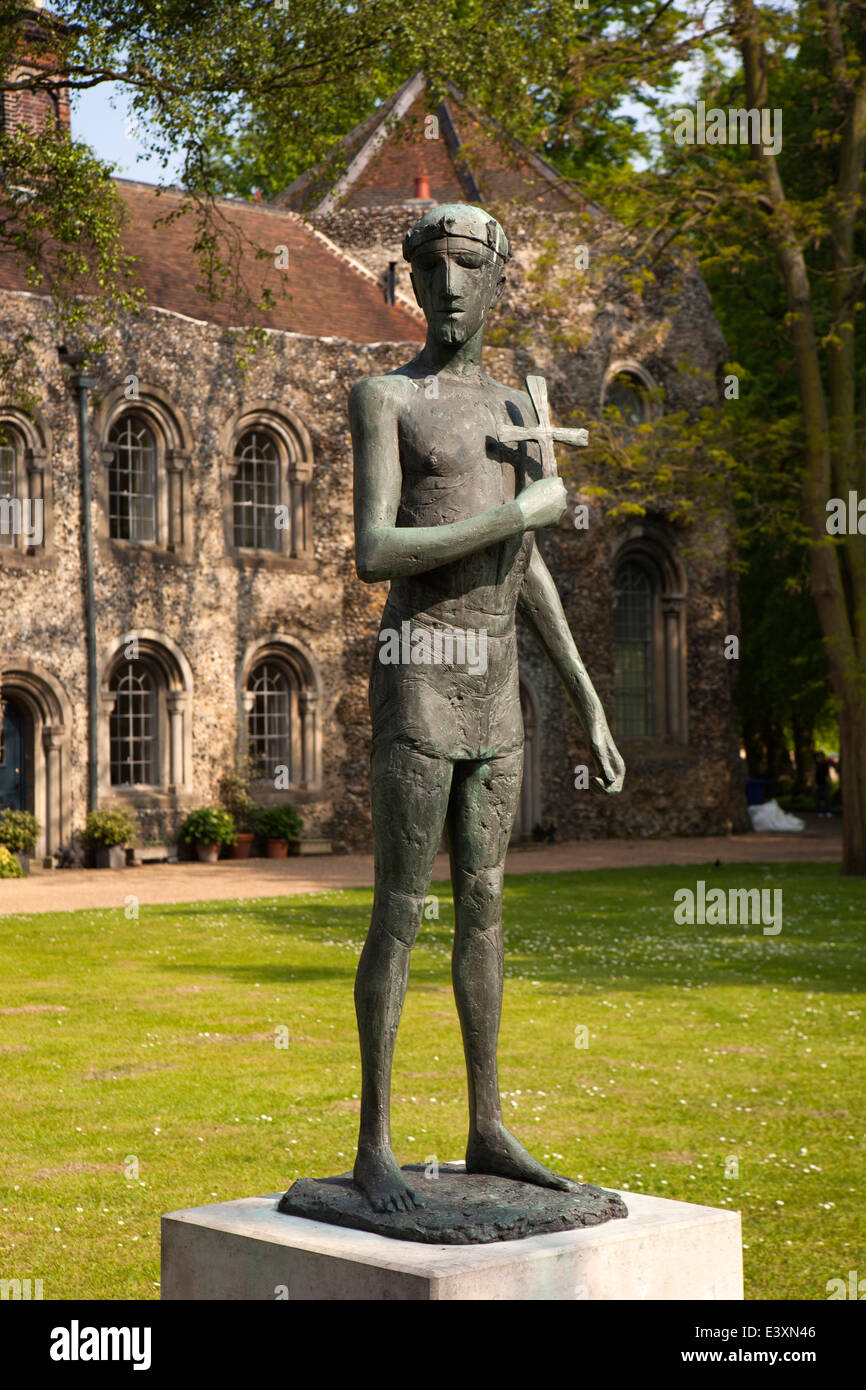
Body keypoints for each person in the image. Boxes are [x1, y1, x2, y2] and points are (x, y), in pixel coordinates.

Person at [350, 204, 625, 1214]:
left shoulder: (517, 407)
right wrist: (514, 510)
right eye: (433, 269)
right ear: (412, 282)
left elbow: (527, 566)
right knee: (399, 906)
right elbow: (374, 549)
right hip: (420, 664)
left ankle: (485, 1120)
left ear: (499, 279)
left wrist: (587, 693)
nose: (450, 286)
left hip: (495, 678)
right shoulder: (384, 397)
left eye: (469, 267)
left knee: (487, 900)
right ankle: (375, 1139)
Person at [814, 749, 833, 817]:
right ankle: (820, 811)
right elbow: (814, 774)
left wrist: (830, 781)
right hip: (818, 783)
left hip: (824, 783)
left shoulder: (825, 764)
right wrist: (815, 783)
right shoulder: (816, 764)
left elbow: (828, 774)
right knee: (818, 798)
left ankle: (827, 811)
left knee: (826, 798)